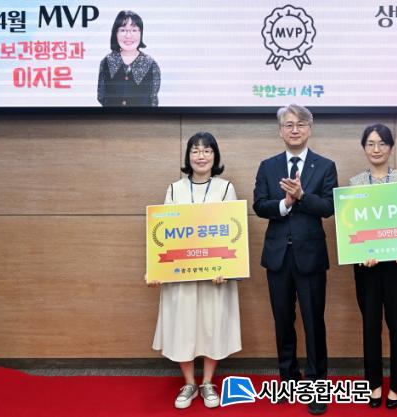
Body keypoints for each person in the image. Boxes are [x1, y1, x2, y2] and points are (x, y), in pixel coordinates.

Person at [253, 104, 337, 415]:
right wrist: (285, 204)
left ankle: (316, 385)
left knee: (314, 322)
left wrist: (301, 197)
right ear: (280, 131)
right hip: (278, 257)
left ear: (309, 129)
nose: (295, 129)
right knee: (283, 321)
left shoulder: (325, 166)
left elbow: (328, 207)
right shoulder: (268, 166)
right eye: (288, 124)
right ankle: (288, 380)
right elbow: (259, 205)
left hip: (310, 257)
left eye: (301, 124)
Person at [150, 132, 241, 409]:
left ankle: (208, 382)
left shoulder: (225, 188)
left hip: (215, 275)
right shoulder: (174, 189)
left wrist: (226, 268)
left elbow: (232, 232)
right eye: (196, 151)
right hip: (182, 275)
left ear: (215, 155)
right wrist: (156, 269)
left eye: (207, 151)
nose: (201, 156)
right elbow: (165, 232)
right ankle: (189, 382)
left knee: (212, 325)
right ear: (188, 156)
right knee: (183, 326)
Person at [350, 123, 397, 410]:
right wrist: (361, 253)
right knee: (370, 327)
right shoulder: (354, 184)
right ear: (364, 148)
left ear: (390, 147)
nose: (376, 149)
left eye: (382, 143)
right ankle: (373, 383)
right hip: (368, 268)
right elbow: (352, 228)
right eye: (370, 144)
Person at [97, 10, 161, 106]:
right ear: (115, 33)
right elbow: (101, 97)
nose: (128, 35)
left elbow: (153, 101)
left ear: (141, 33)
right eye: (123, 30)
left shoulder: (150, 64)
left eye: (134, 30)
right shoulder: (107, 61)